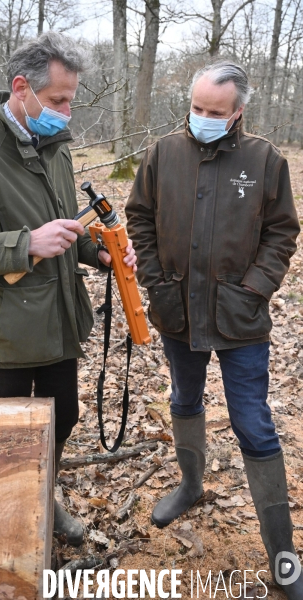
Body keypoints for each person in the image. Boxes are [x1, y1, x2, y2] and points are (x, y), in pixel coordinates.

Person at [0, 31, 136, 547]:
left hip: (61, 315)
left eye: (71, 100)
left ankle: (43, 496)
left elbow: (65, 227)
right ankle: (12, 522)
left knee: (64, 415)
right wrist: (25, 245)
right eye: (59, 100)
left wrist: (100, 252)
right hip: (11, 329)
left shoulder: (55, 147)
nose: (66, 112)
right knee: (13, 436)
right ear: (22, 88)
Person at [125, 61, 302, 598]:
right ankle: (191, 485)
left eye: (214, 112)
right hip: (177, 308)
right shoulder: (163, 153)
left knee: (254, 422)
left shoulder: (265, 160)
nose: (201, 118)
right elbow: (140, 218)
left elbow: (281, 232)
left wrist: (253, 288)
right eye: (196, 108)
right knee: (184, 398)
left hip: (239, 316)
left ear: (238, 112)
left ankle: (283, 557)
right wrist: (155, 281)